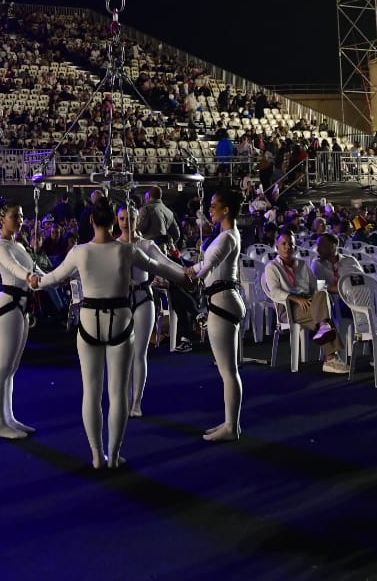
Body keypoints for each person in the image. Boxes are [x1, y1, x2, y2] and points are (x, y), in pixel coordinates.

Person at [29, 198, 182, 469]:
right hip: (120, 321)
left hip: (89, 321)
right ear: (114, 221)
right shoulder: (126, 250)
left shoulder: (79, 251)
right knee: (118, 392)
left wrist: (34, 280)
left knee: (91, 391)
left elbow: (52, 278)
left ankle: (98, 456)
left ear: (91, 221)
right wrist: (189, 273)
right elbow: (162, 267)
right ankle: (114, 454)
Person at [184, 187, 245, 442]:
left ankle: (231, 426)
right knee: (227, 370)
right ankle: (232, 423)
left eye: (213, 204)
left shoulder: (227, 237)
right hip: (223, 300)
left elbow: (204, 268)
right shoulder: (226, 236)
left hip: (223, 302)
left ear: (226, 209)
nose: (210, 209)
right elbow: (202, 266)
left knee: (228, 371)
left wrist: (187, 274)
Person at [118, 204, 189, 419]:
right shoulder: (113, 245)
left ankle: (137, 401)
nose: (126, 222)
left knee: (139, 353)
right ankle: (123, 398)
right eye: (122, 218)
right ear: (116, 220)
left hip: (143, 298)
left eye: (130, 218)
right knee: (121, 355)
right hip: (120, 301)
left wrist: (188, 272)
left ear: (137, 219)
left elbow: (165, 263)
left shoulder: (147, 245)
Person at [262, 229, 346, 373]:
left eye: (291, 244)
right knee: (324, 317)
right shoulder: (272, 267)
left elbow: (315, 286)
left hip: (308, 304)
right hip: (288, 307)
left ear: (295, 247)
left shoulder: (302, 264)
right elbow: (274, 291)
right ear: (277, 247)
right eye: (284, 244)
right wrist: (296, 298)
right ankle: (331, 357)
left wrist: (320, 294)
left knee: (322, 293)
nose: (288, 247)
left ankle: (327, 341)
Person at [0, 204, 37, 439]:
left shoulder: (18, 244)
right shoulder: (0, 247)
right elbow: (14, 268)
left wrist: (62, 275)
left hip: (22, 305)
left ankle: (9, 418)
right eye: (14, 216)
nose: (19, 219)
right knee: (3, 367)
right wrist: (30, 276)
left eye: (20, 215)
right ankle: (0, 423)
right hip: (9, 305)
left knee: (12, 368)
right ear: (2, 219)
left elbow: (34, 269)